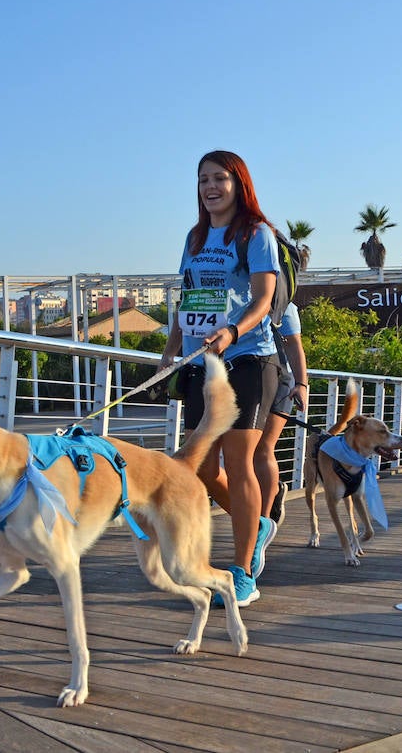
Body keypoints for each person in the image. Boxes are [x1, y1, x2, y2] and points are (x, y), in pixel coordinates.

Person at [160, 150, 281, 607]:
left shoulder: (255, 234)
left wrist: (233, 330)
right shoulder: (194, 237)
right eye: (203, 179)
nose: (210, 187)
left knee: (237, 460)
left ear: (239, 183)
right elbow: (188, 299)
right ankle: (259, 523)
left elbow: (264, 298)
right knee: (203, 467)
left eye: (220, 179)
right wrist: (171, 350)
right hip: (201, 364)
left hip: (249, 358)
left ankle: (244, 568)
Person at [255, 303, 308, 529]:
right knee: (241, 454)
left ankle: (264, 522)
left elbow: (295, 345)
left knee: (263, 449)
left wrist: (301, 383)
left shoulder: (283, 305)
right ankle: (271, 492)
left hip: (280, 380)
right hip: (243, 378)